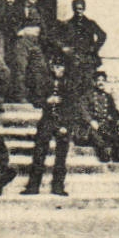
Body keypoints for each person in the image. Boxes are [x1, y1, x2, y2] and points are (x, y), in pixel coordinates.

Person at [21, 58, 73, 196]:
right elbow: (35, 99)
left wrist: (65, 125)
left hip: (62, 122)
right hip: (47, 121)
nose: (58, 70)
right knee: (39, 153)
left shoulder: (69, 84)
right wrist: (46, 101)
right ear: (51, 67)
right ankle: (33, 186)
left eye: (61, 67)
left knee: (61, 156)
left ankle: (58, 187)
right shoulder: (45, 82)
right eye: (56, 67)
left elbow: (73, 105)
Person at [5, 0, 53, 104]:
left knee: (40, 67)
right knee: (20, 67)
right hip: (21, 42)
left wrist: (42, 37)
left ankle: (38, 97)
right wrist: (19, 31)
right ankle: (20, 96)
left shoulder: (39, 10)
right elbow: (10, 24)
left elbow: (44, 27)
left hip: (36, 42)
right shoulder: (17, 9)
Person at [55, 0, 106, 101]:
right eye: (77, 9)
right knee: (73, 84)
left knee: (88, 83)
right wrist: (65, 49)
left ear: (84, 9)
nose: (79, 11)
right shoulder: (68, 24)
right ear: (73, 9)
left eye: (81, 9)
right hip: (73, 59)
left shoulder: (90, 23)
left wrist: (94, 48)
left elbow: (102, 35)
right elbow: (58, 39)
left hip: (88, 58)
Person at [79, 69, 119, 163]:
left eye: (103, 80)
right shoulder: (88, 95)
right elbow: (83, 110)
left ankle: (117, 154)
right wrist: (91, 121)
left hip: (105, 124)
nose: (101, 83)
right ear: (94, 82)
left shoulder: (108, 97)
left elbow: (114, 111)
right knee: (97, 135)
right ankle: (104, 153)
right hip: (92, 125)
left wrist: (118, 119)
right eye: (98, 80)